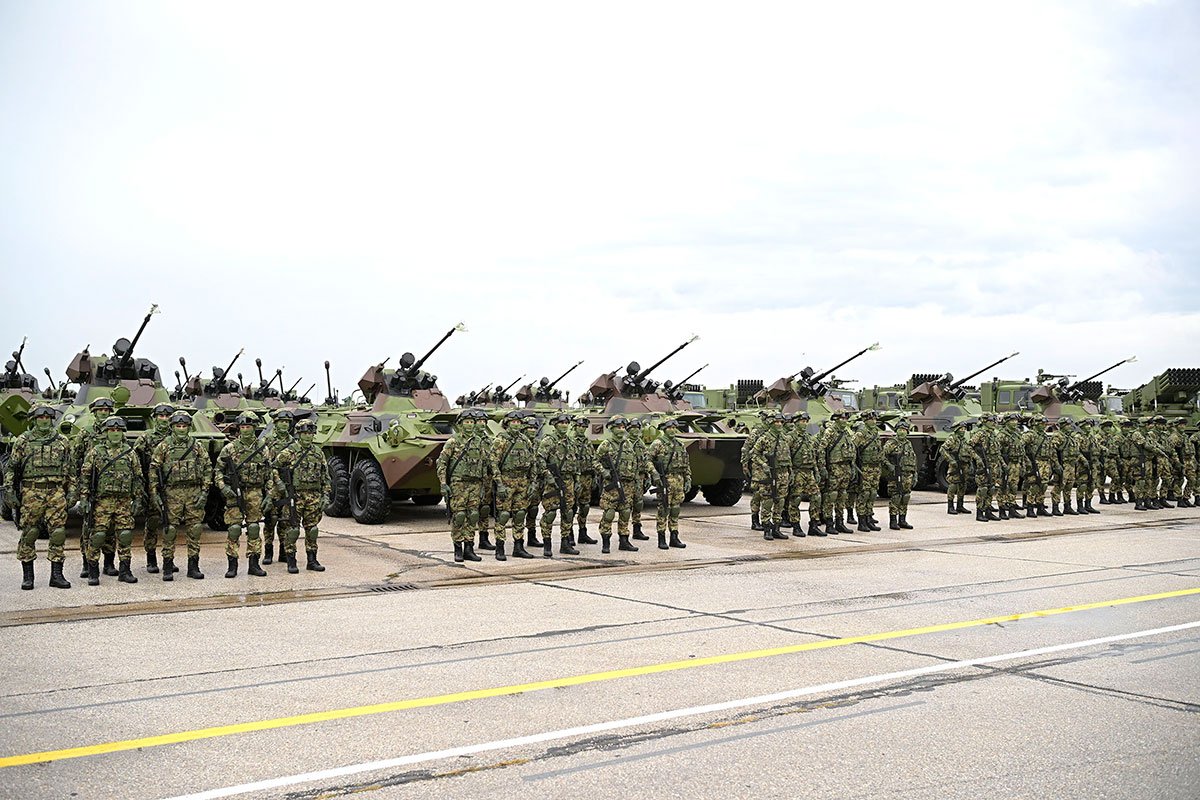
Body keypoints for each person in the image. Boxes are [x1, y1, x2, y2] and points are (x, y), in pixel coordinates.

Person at [4, 404, 73, 590]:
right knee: (30, 532)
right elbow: (11, 468)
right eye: (40, 417)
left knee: (58, 533)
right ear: (33, 419)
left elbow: (71, 469)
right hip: (31, 492)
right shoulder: (23, 441)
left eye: (47, 417)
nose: (44, 420)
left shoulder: (62, 441)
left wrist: (73, 490)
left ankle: (56, 575)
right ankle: (28, 576)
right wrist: (9, 491)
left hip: (56, 491)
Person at [74, 416, 143, 585]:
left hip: (124, 502)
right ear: (105, 432)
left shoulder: (130, 452)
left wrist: (138, 499)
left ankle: (125, 570)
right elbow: (85, 477)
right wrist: (83, 499)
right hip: (101, 502)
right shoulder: (96, 452)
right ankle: (92, 570)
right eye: (112, 430)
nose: (115, 433)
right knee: (97, 536)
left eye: (118, 430)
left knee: (125, 535)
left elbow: (138, 477)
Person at [151, 411, 212, 580]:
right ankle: (168, 567)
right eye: (178, 426)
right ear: (172, 427)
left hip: (193, 493)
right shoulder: (164, 446)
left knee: (195, 529)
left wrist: (205, 491)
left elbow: (207, 468)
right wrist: (155, 492)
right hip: (172, 493)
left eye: (184, 426)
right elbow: (154, 470)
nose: (181, 429)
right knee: (170, 530)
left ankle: (193, 567)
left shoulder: (197, 446)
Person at [270, 418, 332, 573]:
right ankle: (291, 560)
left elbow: (325, 476)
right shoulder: (288, 452)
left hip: (313, 496)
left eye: (310, 433)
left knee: (312, 529)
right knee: (293, 530)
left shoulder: (318, 453)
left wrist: (326, 495)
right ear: (298, 434)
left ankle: (312, 560)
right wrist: (280, 485)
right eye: (304, 433)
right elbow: (273, 468)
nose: (308, 436)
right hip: (294, 497)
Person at [214, 413, 271, 577]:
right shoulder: (230, 448)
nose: (246, 430)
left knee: (253, 528)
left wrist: (269, 495)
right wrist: (223, 487)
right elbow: (217, 470)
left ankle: (254, 564)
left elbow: (269, 474)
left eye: (249, 427)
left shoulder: (263, 449)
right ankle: (232, 566)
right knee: (234, 529)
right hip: (234, 492)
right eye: (243, 427)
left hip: (255, 492)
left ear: (254, 428)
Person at [436, 409, 488, 563]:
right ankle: (457, 548)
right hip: (458, 484)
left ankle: (469, 548)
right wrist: (443, 483)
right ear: (460, 424)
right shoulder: (453, 442)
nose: (469, 425)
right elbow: (442, 463)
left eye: (472, 422)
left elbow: (484, 464)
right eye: (466, 422)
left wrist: (484, 484)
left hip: (475, 484)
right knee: (459, 516)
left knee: (473, 516)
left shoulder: (479, 442)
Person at [490, 410, 537, 559]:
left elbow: (533, 463)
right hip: (506, 481)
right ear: (507, 423)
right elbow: (493, 463)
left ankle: (518, 546)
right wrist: (499, 484)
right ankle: (500, 547)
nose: (516, 425)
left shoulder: (525, 441)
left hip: (522, 481)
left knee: (520, 514)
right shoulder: (500, 440)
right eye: (513, 422)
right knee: (503, 515)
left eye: (518, 422)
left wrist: (532, 482)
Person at [135, 402, 174, 575]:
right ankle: (151, 558)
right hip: (152, 485)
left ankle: (169, 558)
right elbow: (135, 461)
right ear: (155, 418)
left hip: (172, 487)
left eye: (167, 416)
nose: (164, 419)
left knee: (169, 523)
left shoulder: (177, 436)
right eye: (161, 416)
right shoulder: (145, 438)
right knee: (152, 522)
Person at [594, 416, 641, 553]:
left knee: (625, 512)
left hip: (627, 485)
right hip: (612, 486)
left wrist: (636, 481)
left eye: (623, 427)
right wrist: (604, 472)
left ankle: (624, 540)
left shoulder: (628, 444)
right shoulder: (606, 444)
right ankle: (606, 541)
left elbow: (635, 464)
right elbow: (595, 461)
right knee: (609, 513)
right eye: (618, 427)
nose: (621, 430)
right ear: (612, 428)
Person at [535, 413, 578, 556]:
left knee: (568, 513)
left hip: (568, 482)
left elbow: (576, 463)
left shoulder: (571, 442)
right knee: (550, 514)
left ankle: (565, 543)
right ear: (555, 424)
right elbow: (540, 460)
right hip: (553, 482)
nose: (564, 425)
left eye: (566, 423)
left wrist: (576, 480)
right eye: (561, 423)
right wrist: (548, 475)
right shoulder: (548, 441)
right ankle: (547, 545)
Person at [648, 417, 690, 549]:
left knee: (675, 509)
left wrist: (688, 478)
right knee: (663, 509)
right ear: (664, 429)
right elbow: (647, 460)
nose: (672, 430)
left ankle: (674, 536)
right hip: (664, 480)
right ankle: (661, 537)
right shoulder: (658, 443)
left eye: (674, 427)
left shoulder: (680, 444)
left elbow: (686, 463)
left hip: (678, 480)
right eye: (669, 428)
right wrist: (654, 474)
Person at [262, 408, 296, 564]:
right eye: (281, 422)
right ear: (275, 423)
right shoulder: (267, 441)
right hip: (272, 485)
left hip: (289, 485)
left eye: (287, 422)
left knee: (286, 520)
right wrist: (277, 481)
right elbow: (267, 465)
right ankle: (268, 551)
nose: (284, 424)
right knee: (270, 519)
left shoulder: (294, 442)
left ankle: (283, 550)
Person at [751, 412, 792, 541]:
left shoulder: (785, 438)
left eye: (781, 422)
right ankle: (767, 528)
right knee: (768, 500)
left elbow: (788, 456)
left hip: (783, 473)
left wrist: (790, 472)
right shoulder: (764, 438)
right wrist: (763, 464)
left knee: (780, 501)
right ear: (771, 423)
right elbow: (754, 454)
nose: (779, 424)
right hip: (770, 474)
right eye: (776, 422)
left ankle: (777, 528)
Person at [786, 412, 824, 537]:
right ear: (796, 422)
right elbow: (786, 457)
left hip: (809, 472)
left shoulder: (808, 437)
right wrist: (789, 473)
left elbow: (813, 457)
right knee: (796, 499)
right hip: (797, 472)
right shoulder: (790, 438)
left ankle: (813, 525)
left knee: (816, 497)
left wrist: (816, 471)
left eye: (806, 421)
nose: (805, 423)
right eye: (802, 421)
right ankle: (795, 526)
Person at [881, 419, 917, 530]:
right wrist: (889, 466)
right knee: (896, 497)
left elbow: (913, 458)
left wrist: (915, 473)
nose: (902, 432)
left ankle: (902, 520)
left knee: (905, 497)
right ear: (896, 430)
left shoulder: (908, 444)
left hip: (908, 475)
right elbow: (881, 456)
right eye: (900, 430)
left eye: (904, 430)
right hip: (896, 475)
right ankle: (893, 520)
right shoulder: (891, 443)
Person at [852, 411, 883, 531]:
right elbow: (852, 448)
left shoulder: (875, 432)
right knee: (864, 494)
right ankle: (861, 521)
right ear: (865, 420)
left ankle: (869, 518)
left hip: (875, 468)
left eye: (875, 419)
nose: (874, 422)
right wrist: (855, 466)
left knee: (872, 494)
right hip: (864, 468)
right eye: (871, 419)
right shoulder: (860, 433)